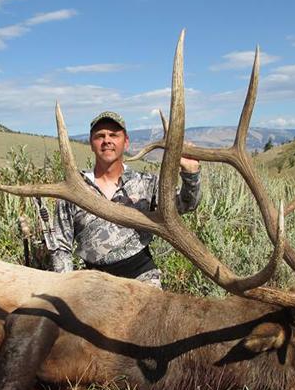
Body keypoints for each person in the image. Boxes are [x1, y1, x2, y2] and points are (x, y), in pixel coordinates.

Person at [49, 110, 201, 288]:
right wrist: (66, 288)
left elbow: (186, 204)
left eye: (114, 135)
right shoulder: (74, 189)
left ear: (126, 142)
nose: (107, 140)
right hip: (94, 282)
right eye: (100, 136)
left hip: (141, 277)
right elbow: (60, 247)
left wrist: (191, 173)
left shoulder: (147, 183)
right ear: (91, 143)